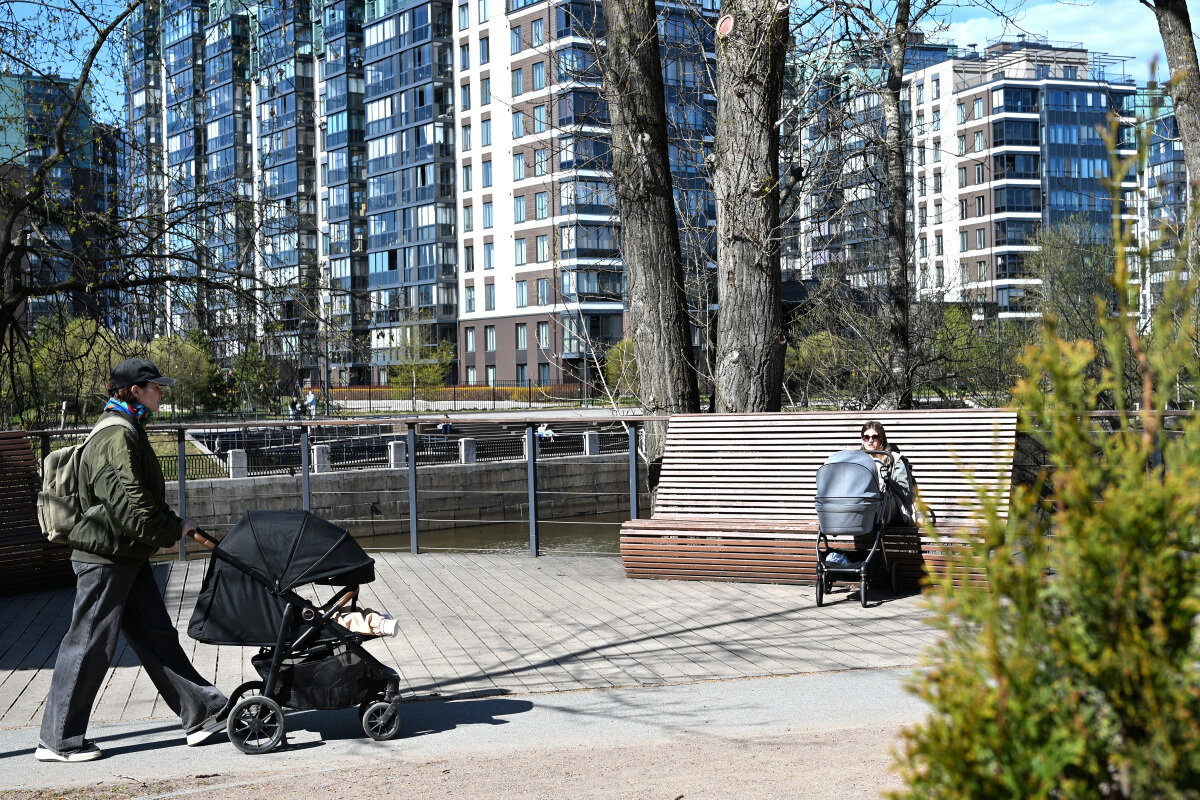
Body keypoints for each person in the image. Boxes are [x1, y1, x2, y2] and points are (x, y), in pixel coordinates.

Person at [36, 358, 230, 763]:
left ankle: (201, 711)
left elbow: (132, 507)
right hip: (106, 557)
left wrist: (170, 525)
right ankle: (57, 741)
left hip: (124, 553)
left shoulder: (127, 429)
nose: (162, 392)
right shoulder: (116, 436)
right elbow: (132, 507)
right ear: (136, 390)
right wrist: (172, 529)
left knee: (156, 637)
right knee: (89, 643)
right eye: (156, 387)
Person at [859, 420, 916, 525]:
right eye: (866, 437)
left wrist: (886, 478)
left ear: (881, 439)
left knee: (877, 466)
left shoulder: (894, 459)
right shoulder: (856, 460)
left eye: (874, 437)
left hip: (890, 508)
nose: (870, 441)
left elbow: (905, 493)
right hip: (862, 505)